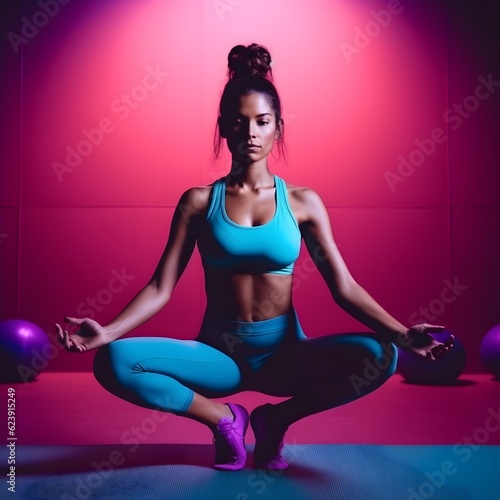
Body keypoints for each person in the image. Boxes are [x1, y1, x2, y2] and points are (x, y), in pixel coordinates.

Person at [56, 43, 454, 472]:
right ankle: (224, 420)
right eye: (240, 121)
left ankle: (275, 420)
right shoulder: (197, 202)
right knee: (113, 361)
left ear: (278, 128)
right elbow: (160, 286)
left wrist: (401, 333)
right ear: (223, 127)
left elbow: (345, 287)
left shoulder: (303, 203)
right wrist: (108, 331)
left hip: (283, 356)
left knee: (381, 354)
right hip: (218, 359)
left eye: (262, 122)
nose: (250, 132)